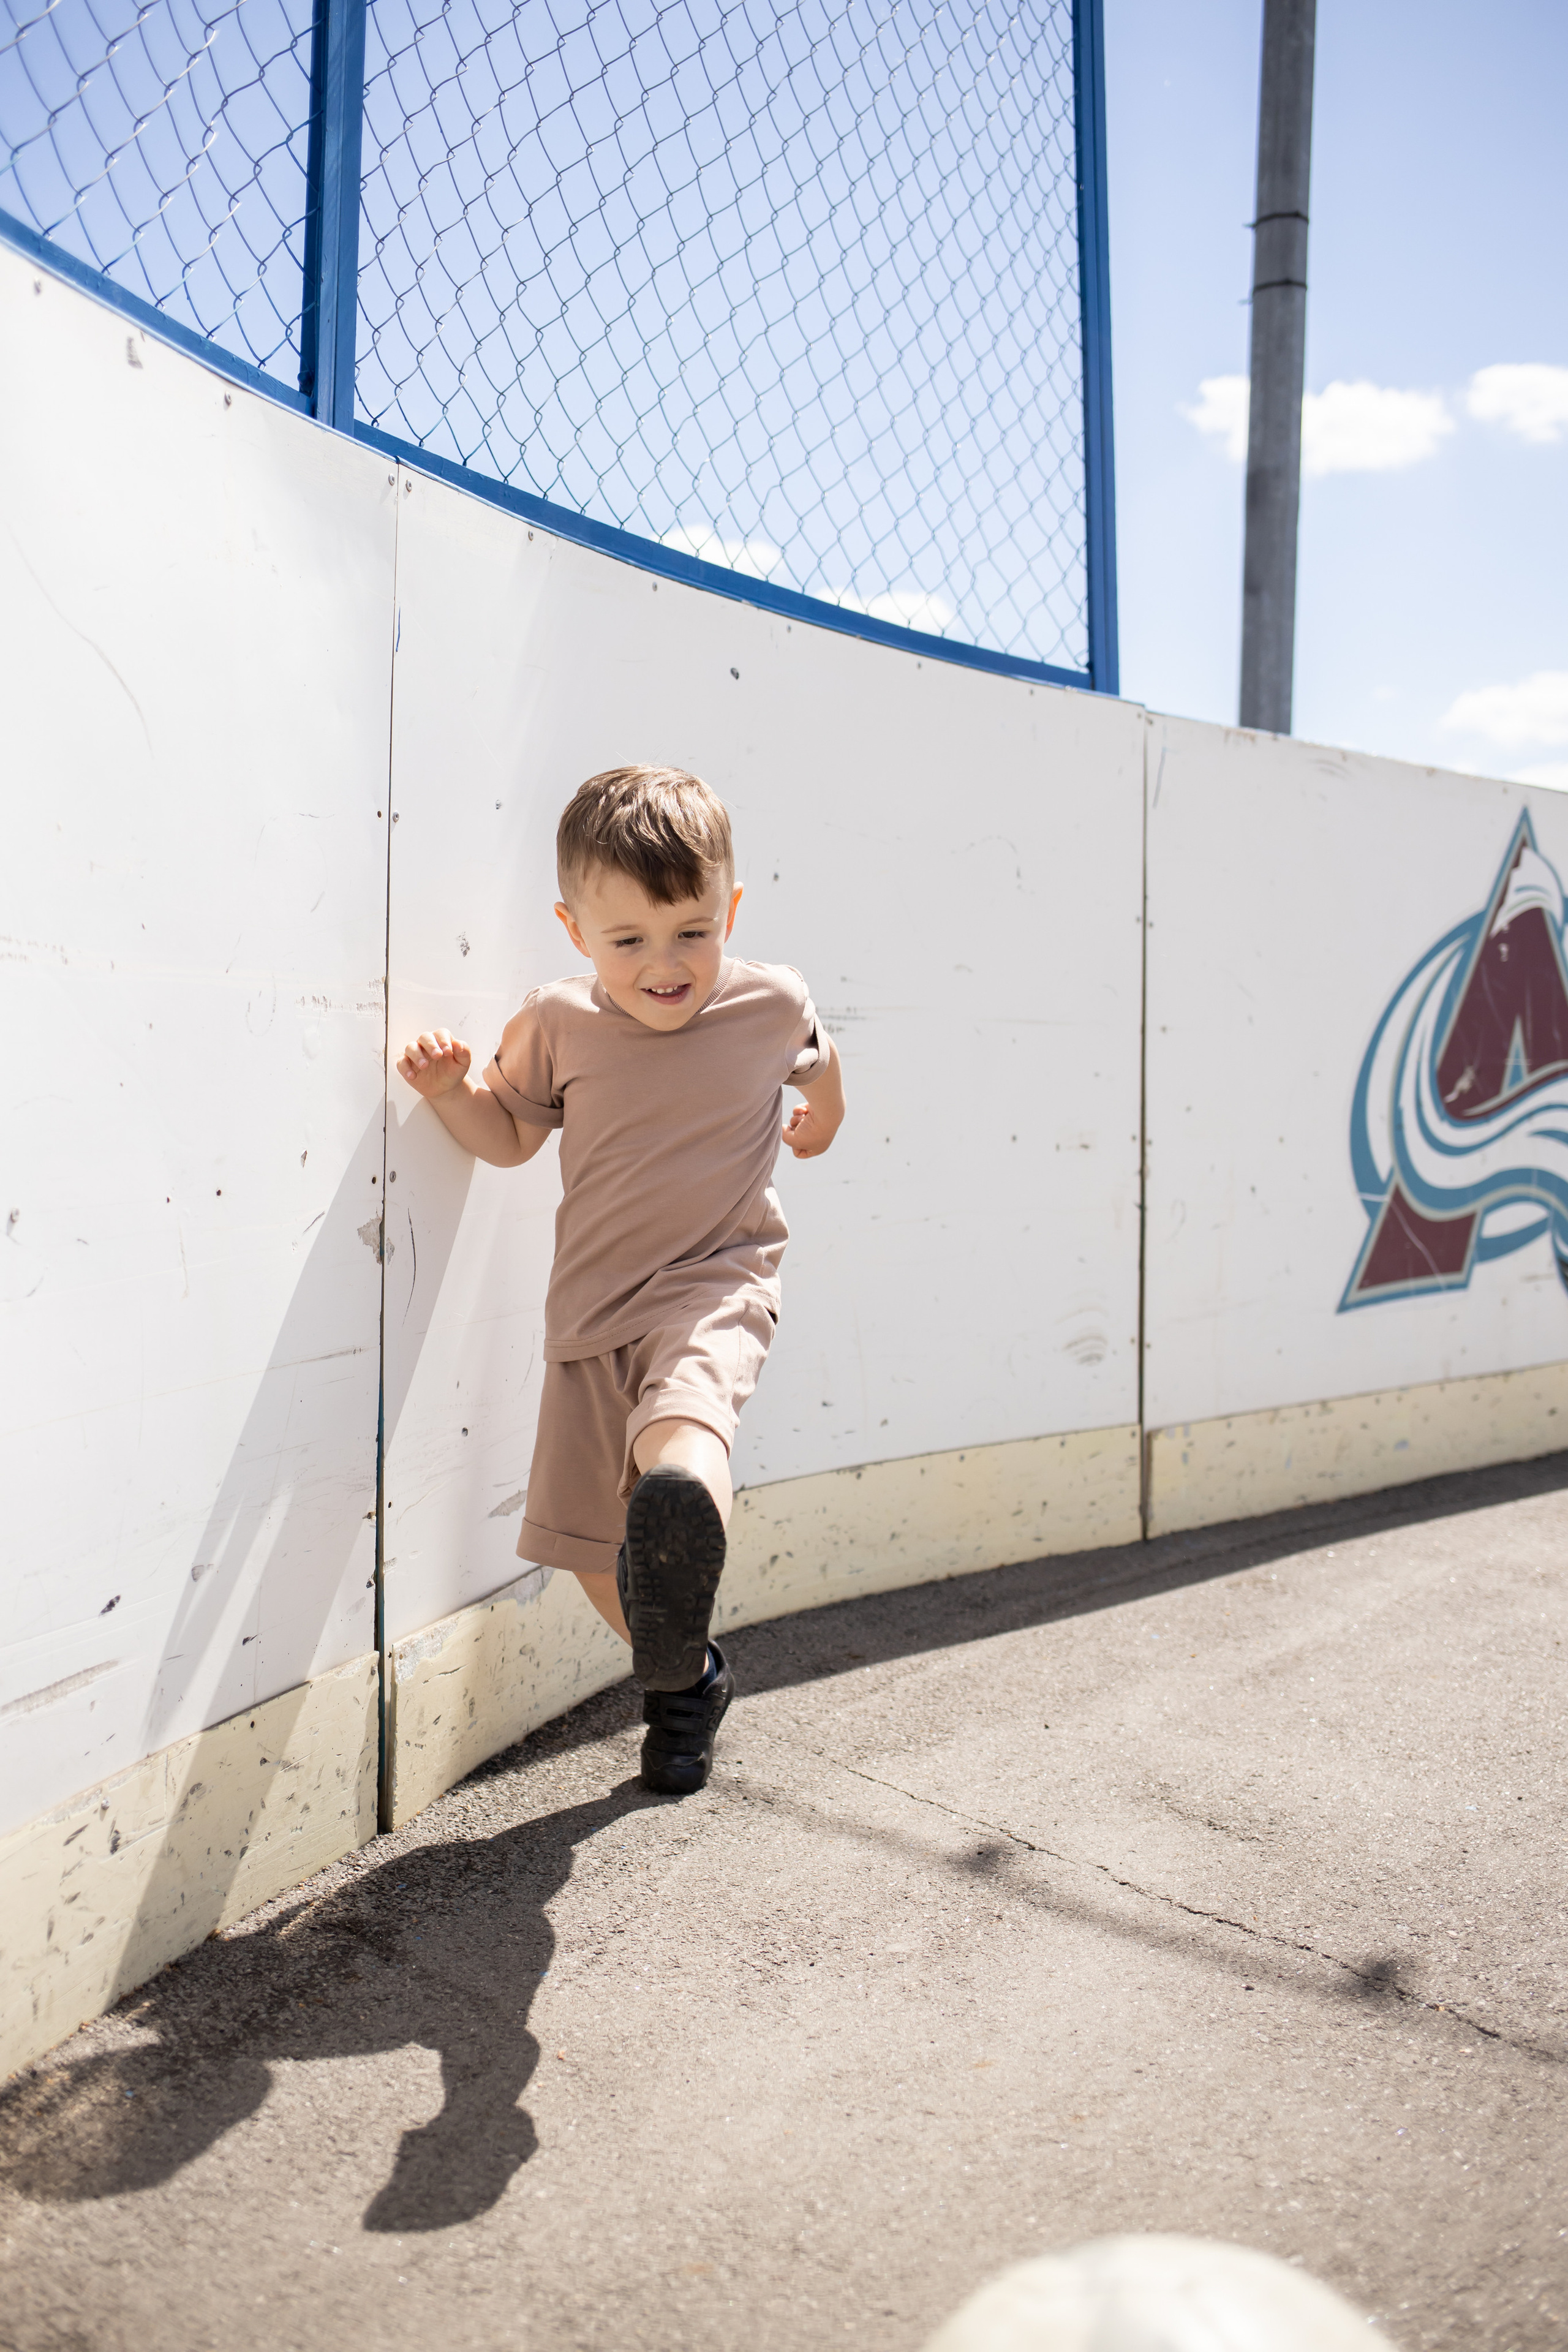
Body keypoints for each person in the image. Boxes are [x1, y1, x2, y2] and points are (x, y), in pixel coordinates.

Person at [396, 765, 846, 1795]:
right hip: (591, 1318)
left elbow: (820, 1063)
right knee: (591, 1546)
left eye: (692, 930)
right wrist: (452, 1090)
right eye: (628, 940)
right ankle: (685, 1677)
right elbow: (509, 1138)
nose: (665, 964)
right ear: (574, 929)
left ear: (728, 909)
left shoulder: (771, 1002)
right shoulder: (557, 1024)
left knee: (680, 1435)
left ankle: (683, 1494)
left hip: (716, 1280)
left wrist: (828, 1121)